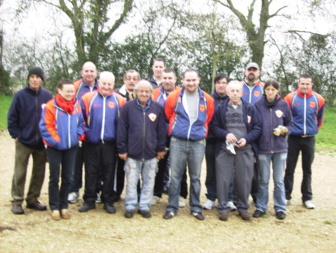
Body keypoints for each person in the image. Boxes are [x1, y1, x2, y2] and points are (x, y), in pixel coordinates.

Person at [163, 69, 214, 221]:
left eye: (193, 80)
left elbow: (208, 118)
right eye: (188, 80)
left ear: (198, 80)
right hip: (177, 141)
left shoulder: (207, 99)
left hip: (197, 143)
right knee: (176, 176)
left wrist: (200, 131)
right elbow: (168, 114)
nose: (191, 83)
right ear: (183, 81)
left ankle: (196, 207)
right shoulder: (174, 96)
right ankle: (172, 207)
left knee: (195, 177)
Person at [212, 80, 261, 221]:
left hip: (244, 149)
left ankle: (243, 208)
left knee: (244, 180)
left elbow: (258, 128)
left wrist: (247, 139)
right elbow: (214, 127)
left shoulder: (250, 108)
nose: (234, 93)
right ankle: (222, 208)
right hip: (225, 149)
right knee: (223, 179)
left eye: (237, 91)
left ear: (241, 92)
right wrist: (225, 135)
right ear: (227, 93)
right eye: (231, 91)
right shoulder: (220, 108)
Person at [117, 80, 167, 218]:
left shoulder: (157, 108)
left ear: (151, 93)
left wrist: (161, 148)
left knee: (149, 181)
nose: (144, 94)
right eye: (141, 91)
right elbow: (122, 130)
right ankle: (131, 205)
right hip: (132, 153)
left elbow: (161, 130)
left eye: (147, 91)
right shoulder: (127, 107)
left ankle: (144, 205)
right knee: (132, 182)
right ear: (136, 92)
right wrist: (122, 149)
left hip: (151, 154)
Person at [78, 71, 126, 214]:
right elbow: (81, 119)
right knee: (91, 172)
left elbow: (123, 124)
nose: (106, 86)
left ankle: (108, 201)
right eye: (103, 83)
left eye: (109, 84)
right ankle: (89, 200)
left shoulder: (119, 100)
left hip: (110, 144)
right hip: (91, 142)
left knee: (109, 173)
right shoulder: (87, 98)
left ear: (113, 85)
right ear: (99, 83)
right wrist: (85, 135)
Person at [8, 67, 52, 215]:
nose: (34, 79)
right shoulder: (20, 95)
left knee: (39, 172)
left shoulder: (47, 96)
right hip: (24, 141)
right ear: (28, 78)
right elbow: (12, 116)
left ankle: (32, 199)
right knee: (20, 171)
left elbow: (51, 116)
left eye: (37, 77)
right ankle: (17, 200)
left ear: (41, 79)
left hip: (41, 142)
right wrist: (15, 134)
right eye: (32, 76)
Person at [39, 79, 86, 220]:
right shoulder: (50, 106)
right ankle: (54, 206)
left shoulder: (76, 106)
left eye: (72, 91)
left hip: (71, 147)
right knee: (54, 177)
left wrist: (77, 136)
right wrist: (57, 142)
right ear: (59, 91)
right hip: (55, 148)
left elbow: (81, 123)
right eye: (67, 91)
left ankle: (64, 205)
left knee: (68, 177)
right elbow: (46, 127)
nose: (70, 94)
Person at [284, 74, 325, 209]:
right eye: (302, 84)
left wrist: (312, 130)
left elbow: (319, 119)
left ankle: (307, 198)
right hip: (293, 139)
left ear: (311, 85)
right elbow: (286, 117)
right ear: (298, 84)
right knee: (290, 168)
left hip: (309, 139)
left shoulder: (319, 99)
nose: (305, 86)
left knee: (307, 169)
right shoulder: (290, 98)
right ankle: (286, 196)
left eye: (307, 84)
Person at [253, 79, 292, 220]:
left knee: (278, 180)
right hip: (263, 149)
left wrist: (285, 130)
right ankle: (261, 206)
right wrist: (255, 149)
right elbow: (254, 127)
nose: (270, 92)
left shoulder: (284, 105)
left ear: (277, 91)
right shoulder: (257, 105)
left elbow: (290, 124)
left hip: (280, 149)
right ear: (264, 90)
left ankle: (280, 208)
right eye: (268, 89)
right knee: (263, 180)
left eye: (273, 89)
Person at [152, 68, 188, 208]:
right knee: (159, 165)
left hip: (178, 135)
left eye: (170, 78)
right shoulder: (154, 94)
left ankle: (181, 195)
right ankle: (156, 193)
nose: (167, 81)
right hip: (160, 135)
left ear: (175, 79)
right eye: (165, 78)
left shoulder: (182, 93)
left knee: (179, 166)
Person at [202, 73, 238, 211]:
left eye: (224, 82)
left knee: (229, 171)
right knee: (211, 170)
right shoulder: (209, 99)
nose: (221, 85)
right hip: (212, 140)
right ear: (215, 84)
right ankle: (211, 197)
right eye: (218, 82)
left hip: (230, 142)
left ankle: (228, 198)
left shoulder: (234, 100)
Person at [68, 61, 99, 204]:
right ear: (81, 72)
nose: (89, 74)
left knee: (94, 165)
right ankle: (74, 190)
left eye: (92, 71)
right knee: (76, 163)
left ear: (96, 73)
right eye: (86, 71)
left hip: (95, 133)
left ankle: (95, 191)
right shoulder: (75, 87)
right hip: (79, 132)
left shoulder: (102, 86)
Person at [114, 70, 141, 201]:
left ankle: (137, 193)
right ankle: (116, 193)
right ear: (124, 80)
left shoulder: (142, 96)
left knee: (136, 168)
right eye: (129, 78)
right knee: (119, 168)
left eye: (135, 78)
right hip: (122, 136)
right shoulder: (116, 95)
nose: (132, 81)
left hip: (137, 138)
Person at [241, 62, 265, 204]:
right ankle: (237, 196)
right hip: (239, 130)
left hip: (257, 132)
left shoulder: (263, 88)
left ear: (259, 73)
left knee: (256, 167)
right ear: (245, 71)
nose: (251, 72)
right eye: (249, 70)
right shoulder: (238, 86)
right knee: (237, 165)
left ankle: (256, 196)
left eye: (254, 70)